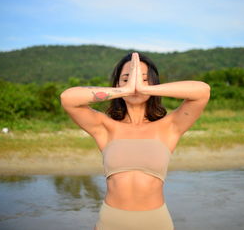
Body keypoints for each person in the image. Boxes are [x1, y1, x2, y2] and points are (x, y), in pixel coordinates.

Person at [60, 52, 210, 230]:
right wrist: (126, 89)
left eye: (144, 79)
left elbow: (202, 91)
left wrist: (145, 88)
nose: (135, 85)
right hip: (110, 222)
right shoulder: (105, 127)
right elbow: (68, 98)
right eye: (126, 79)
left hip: (156, 222)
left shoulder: (169, 127)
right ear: (116, 85)